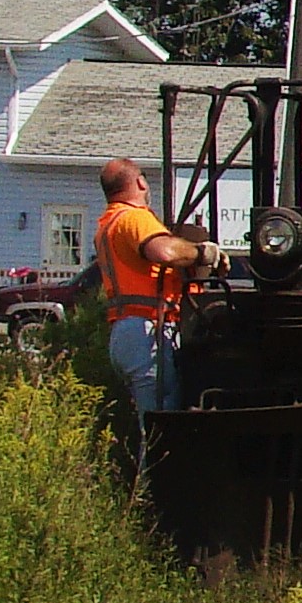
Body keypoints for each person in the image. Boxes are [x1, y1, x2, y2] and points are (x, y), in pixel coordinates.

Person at [96, 159, 219, 416]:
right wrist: (203, 253)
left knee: (150, 423)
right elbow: (163, 251)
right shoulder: (135, 218)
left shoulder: (109, 222)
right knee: (160, 427)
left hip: (125, 333)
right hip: (146, 331)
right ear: (140, 182)